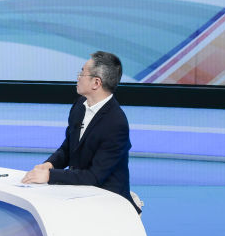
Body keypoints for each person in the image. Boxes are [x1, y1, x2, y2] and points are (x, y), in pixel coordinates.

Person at [21, 51, 139, 213]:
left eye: (82, 73)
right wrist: (49, 164)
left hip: (109, 202)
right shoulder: (80, 105)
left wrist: (50, 176)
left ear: (96, 82)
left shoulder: (116, 123)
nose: (78, 77)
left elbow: (94, 176)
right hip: (80, 192)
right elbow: (68, 148)